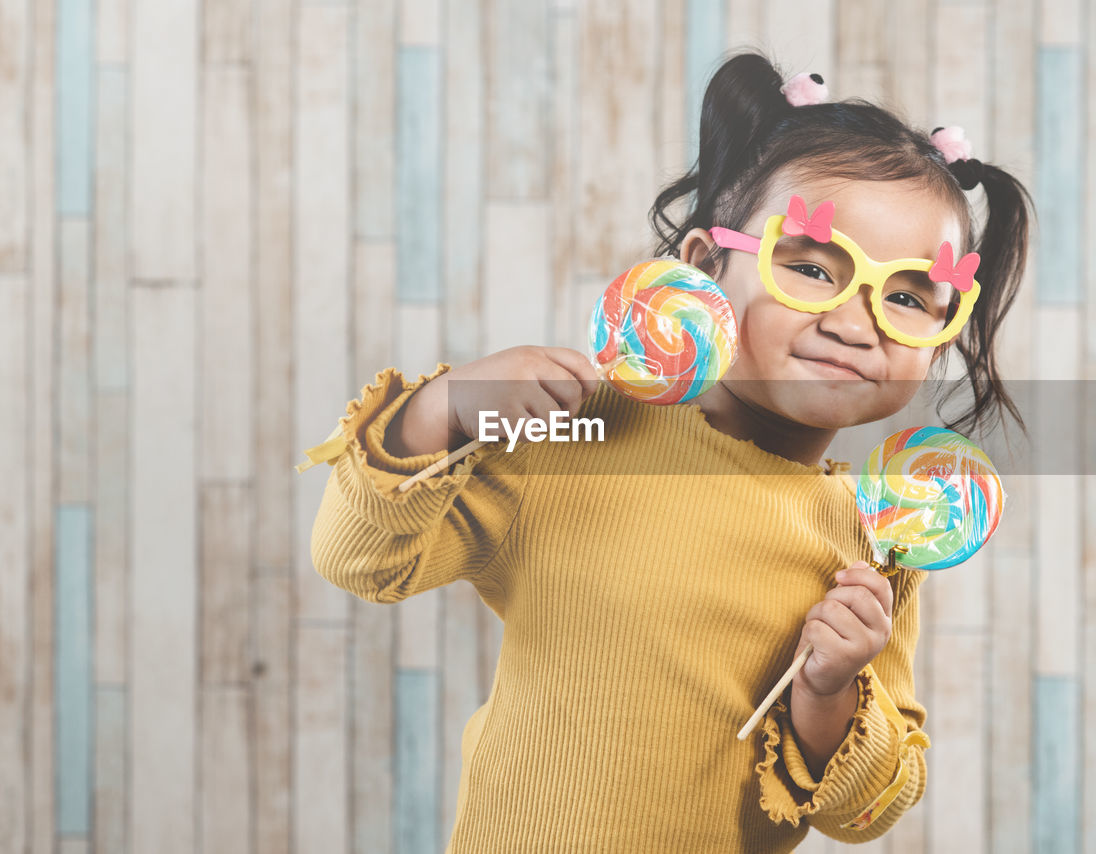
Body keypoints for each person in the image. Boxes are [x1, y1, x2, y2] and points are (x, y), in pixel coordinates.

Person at [304, 50, 1030, 852]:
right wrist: (444, 411)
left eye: (905, 297)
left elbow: (868, 814)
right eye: (812, 268)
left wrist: (829, 691)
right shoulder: (585, 432)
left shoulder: (879, 535)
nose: (857, 322)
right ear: (701, 270)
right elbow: (360, 561)